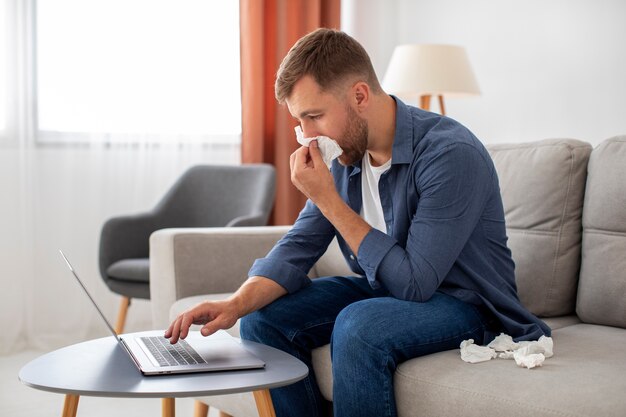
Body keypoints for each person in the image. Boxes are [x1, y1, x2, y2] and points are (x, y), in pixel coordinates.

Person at [165, 28, 550, 417]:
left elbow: (415, 283)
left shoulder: (449, 154)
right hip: (385, 291)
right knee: (263, 320)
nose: (308, 136)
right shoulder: (349, 157)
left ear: (360, 96)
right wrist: (235, 303)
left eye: (315, 116)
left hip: (466, 304)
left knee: (358, 325)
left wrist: (328, 199)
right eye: (301, 121)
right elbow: (299, 247)